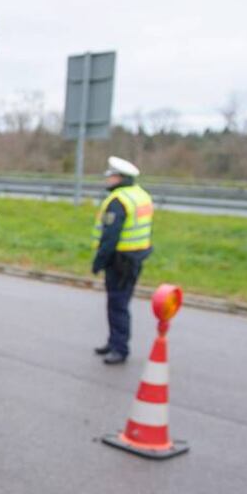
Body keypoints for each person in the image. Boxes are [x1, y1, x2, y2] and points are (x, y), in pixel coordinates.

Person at [91, 156, 153, 365]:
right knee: (120, 302)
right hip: (136, 256)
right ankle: (114, 341)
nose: (108, 180)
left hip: (120, 260)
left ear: (120, 178)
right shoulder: (140, 195)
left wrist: (98, 262)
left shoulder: (118, 201)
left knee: (117, 304)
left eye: (111, 177)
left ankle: (119, 348)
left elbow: (110, 236)